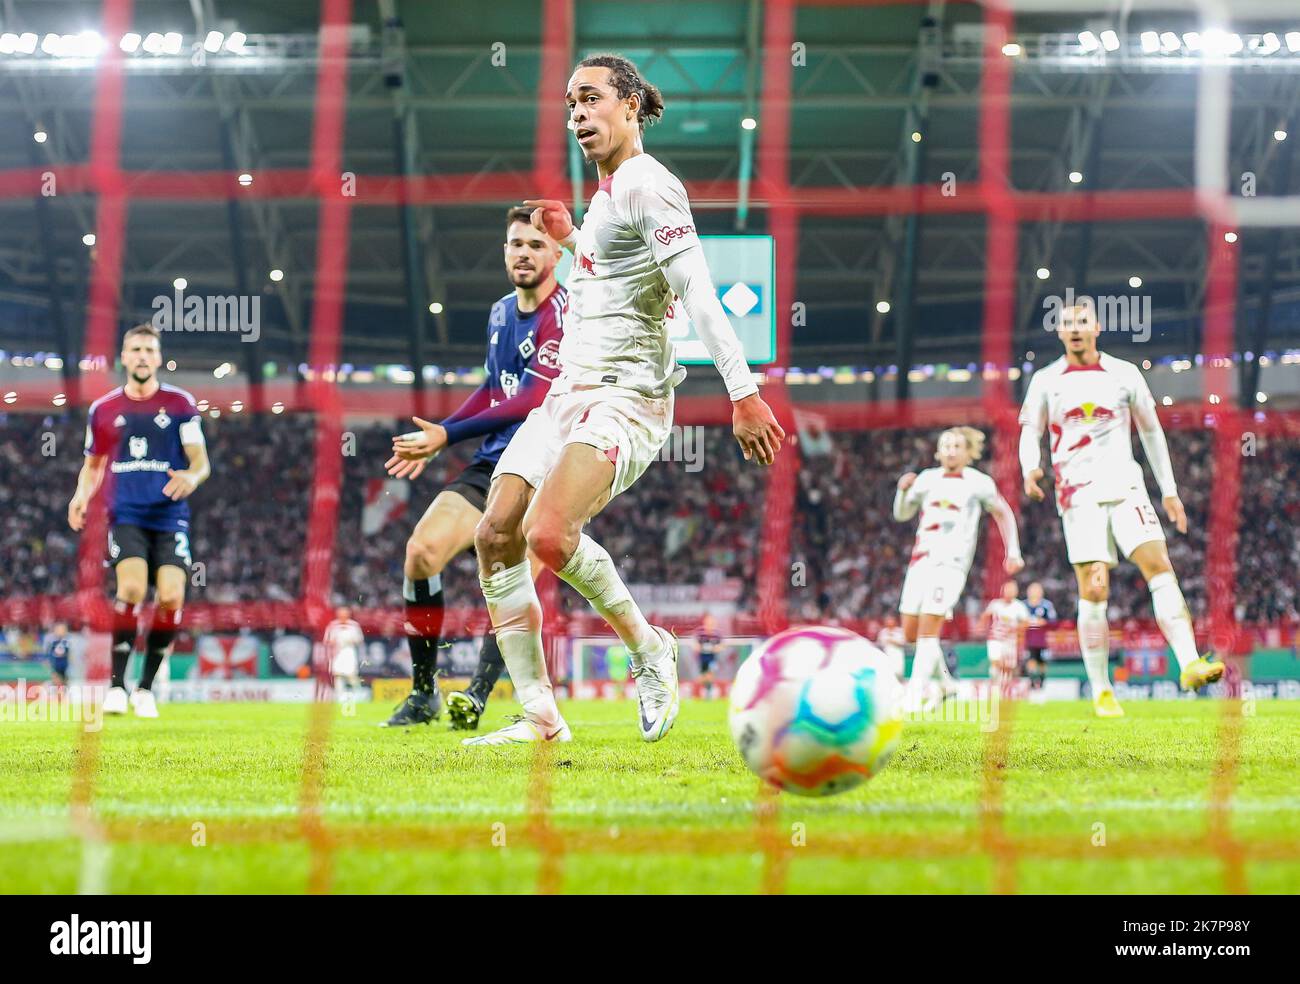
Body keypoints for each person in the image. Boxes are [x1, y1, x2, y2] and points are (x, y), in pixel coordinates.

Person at [466, 53, 785, 746]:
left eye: (590, 98)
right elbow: (609, 281)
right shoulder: (609, 192)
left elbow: (697, 289)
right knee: (493, 536)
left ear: (631, 105)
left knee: (547, 536)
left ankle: (649, 649)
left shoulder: (647, 183)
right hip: (567, 393)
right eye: (569, 104)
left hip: (626, 396)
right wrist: (572, 238)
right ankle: (541, 717)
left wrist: (744, 391)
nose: (577, 114)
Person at [381, 207, 567, 729]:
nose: (524, 253)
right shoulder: (501, 312)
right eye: (515, 244)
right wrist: (442, 434)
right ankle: (423, 695)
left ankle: (478, 695)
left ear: (557, 253)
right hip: (492, 461)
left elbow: (532, 398)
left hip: (546, 467)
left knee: (513, 582)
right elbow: (494, 388)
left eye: (535, 244)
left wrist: (447, 434)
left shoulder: (565, 315)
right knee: (420, 552)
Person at [1020, 301, 1222, 717]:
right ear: (1059, 333)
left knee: (1159, 565)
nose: (1075, 329)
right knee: (1094, 589)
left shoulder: (1125, 374)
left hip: (1127, 487)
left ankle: (1188, 663)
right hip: (1079, 496)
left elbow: (1151, 431)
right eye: (1067, 324)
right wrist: (1030, 468)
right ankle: (1101, 689)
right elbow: (1029, 431)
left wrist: (1168, 490)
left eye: (1082, 322)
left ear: (1096, 327)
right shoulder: (1046, 380)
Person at [68, 324, 210, 719]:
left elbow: (201, 462)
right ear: (124, 357)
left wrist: (191, 477)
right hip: (126, 513)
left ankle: (145, 689)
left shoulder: (180, 403)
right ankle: (116, 687)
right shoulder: (104, 409)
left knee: (171, 597)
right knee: (130, 588)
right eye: (136, 349)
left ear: (158, 357)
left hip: (169, 514)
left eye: (150, 349)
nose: (143, 356)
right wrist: (81, 496)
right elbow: (92, 466)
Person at [894, 427, 1023, 712]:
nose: (951, 450)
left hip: (951, 563)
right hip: (920, 561)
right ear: (938, 451)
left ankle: (914, 695)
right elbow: (901, 514)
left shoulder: (979, 483)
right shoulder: (927, 479)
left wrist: (1013, 550)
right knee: (911, 633)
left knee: (930, 627)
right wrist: (902, 492)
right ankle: (946, 686)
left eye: (956, 446)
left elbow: (1003, 512)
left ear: (968, 453)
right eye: (946, 445)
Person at [980, 579, 1031, 697]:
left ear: (1016, 592)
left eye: (1012, 589)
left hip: (1010, 641)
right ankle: (995, 686)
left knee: (1008, 667)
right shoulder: (995, 604)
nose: (1010, 592)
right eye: (1008, 589)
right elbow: (985, 616)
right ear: (1003, 590)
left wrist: (1014, 629)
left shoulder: (1019, 606)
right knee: (996, 662)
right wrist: (983, 625)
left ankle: (1004, 691)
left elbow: (1026, 623)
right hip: (995, 638)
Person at [1023, 581, 1056, 693]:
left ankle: (1041, 685)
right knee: (1030, 661)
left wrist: (1044, 622)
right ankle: (1032, 685)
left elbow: (1053, 622)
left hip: (1042, 640)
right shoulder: (1023, 605)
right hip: (1027, 640)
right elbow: (1017, 621)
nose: (1035, 592)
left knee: (1042, 662)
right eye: (1032, 590)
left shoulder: (1047, 605)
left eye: (1037, 590)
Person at [324, 606, 365, 694]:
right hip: (337, 653)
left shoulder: (354, 625)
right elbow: (326, 640)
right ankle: (339, 694)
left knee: (351, 674)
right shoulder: (332, 625)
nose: (343, 616)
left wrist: (351, 640)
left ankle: (358, 693)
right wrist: (333, 642)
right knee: (337, 674)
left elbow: (360, 640)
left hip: (349, 652)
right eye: (341, 614)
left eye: (345, 614)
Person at [696, 613, 722, 698]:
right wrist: (700, 647)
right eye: (708, 622)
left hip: (712, 658)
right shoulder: (700, 633)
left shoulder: (717, 634)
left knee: (710, 675)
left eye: (712, 622)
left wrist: (715, 648)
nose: (710, 624)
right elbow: (696, 645)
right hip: (703, 658)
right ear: (705, 623)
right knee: (703, 677)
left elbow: (721, 646)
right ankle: (705, 689)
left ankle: (709, 691)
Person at [876, 615, 907, 682]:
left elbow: (903, 642)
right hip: (887, 653)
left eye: (891, 621)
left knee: (899, 671)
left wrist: (892, 641)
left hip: (898, 653)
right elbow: (880, 643)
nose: (890, 622)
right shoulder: (883, 632)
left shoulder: (900, 631)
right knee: (889, 672)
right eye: (888, 621)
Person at [45, 621, 71, 688]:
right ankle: (55, 689)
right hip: (55, 664)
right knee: (55, 677)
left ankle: (64, 691)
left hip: (64, 665)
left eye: (63, 630)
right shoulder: (51, 641)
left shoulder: (68, 641)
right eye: (58, 630)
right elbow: (48, 653)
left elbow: (69, 654)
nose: (60, 632)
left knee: (65, 678)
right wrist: (48, 661)